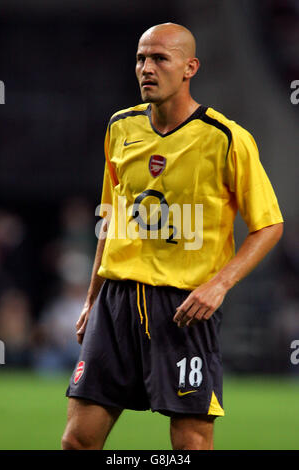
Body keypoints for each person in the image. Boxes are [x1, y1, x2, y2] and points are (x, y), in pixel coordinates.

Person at [61, 23, 284, 450]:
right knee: (77, 441)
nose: (147, 67)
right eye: (142, 58)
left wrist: (219, 285)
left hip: (183, 306)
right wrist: (92, 298)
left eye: (160, 58)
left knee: (190, 445)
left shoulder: (226, 139)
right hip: (116, 302)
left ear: (189, 68)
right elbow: (111, 217)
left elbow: (269, 225)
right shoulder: (121, 127)